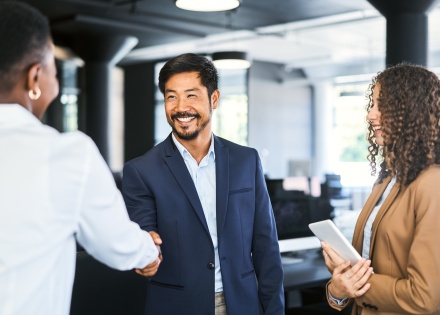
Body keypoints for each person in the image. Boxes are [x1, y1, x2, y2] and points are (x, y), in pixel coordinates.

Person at [0, 2, 162, 314]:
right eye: (53, 69)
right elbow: (117, 245)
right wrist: (149, 250)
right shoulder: (65, 155)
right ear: (34, 78)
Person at [122, 53, 284, 315]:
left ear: (214, 99)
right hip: (177, 307)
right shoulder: (141, 171)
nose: (180, 107)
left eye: (191, 95)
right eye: (171, 96)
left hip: (242, 305)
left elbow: (266, 247)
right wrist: (145, 253)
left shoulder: (246, 161)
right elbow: (144, 238)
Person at [322, 63, 440, 314]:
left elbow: (423, 297)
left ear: (410, 111)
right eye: (372, 104)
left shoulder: (432, 183)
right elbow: (363, 267)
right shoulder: (387, 178)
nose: (370, 115)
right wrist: (338, 290)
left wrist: (355, 281)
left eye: (381, 105)